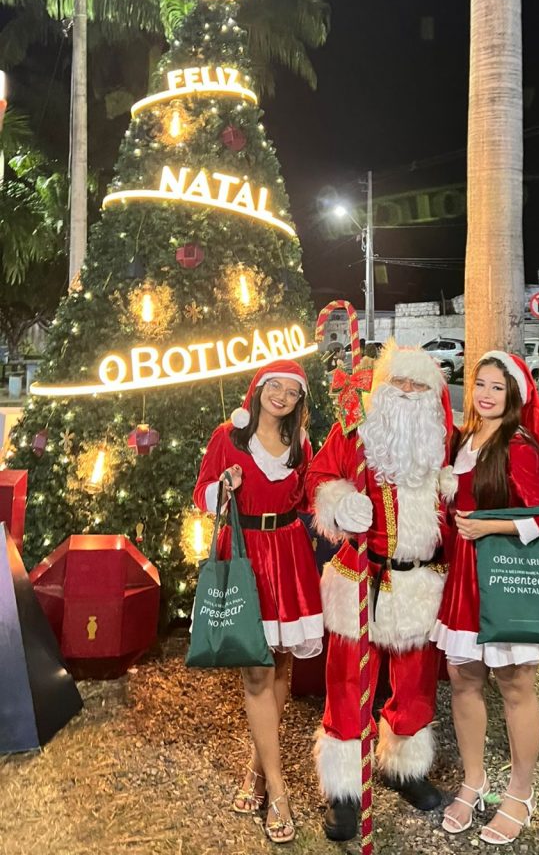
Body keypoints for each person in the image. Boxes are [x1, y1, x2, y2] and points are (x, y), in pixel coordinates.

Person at [431, 351, 539, 846]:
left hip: (504, 575)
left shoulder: (518, 445)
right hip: (465, 580)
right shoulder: (463, 439)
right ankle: (474, 781)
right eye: (481, 384)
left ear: (514, 396)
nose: (486, 394)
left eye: (498, 387)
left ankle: (519, 793)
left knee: (515, 684)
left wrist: (487, 525)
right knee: (463, 680)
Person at [306, 341, 456, 842]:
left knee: (415, 681)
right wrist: (340, 502)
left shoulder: (445, 442)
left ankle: (404, 767)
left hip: (420, 580)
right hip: (361, 577)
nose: (409, 393)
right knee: (348, 679)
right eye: (400, 383)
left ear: (434, 395)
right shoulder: (355, 431)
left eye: (419, 385)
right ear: (383, 388)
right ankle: (345, 787)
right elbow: (321, 475)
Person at [193, 359, 323, 844]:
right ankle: (280, 790)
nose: (283, 397)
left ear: (298, 401)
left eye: (292, 391)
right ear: (260, 388)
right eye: (276, 387)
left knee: (282, 669)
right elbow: (200, 492)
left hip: (289, 556)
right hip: (246, 556)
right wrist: (221, 488)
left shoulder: (302, 444)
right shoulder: (228, 435)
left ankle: (255, 770)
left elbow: (311, 497)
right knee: (256, 671)